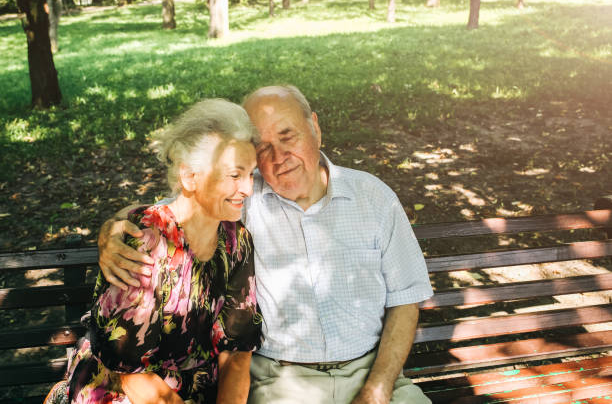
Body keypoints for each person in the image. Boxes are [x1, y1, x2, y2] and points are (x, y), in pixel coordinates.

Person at [97, 86, 434, 404]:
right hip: (285, 383)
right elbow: (180, 207)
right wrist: (114, 229)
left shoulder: (373, 198)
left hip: (372, 374)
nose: (279, 157)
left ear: (315, 127)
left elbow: (406, 300)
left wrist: (378, 387)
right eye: (263, 148)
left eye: (288, 137)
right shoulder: (241, 200)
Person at [45, 99, 263, 404]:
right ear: (189, 177)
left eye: (251, 174)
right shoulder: (144, 239)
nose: (248, 189)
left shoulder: (236, 242)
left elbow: (237, 355)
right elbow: (131, 375)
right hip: (120, 394)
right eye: (235, 175)